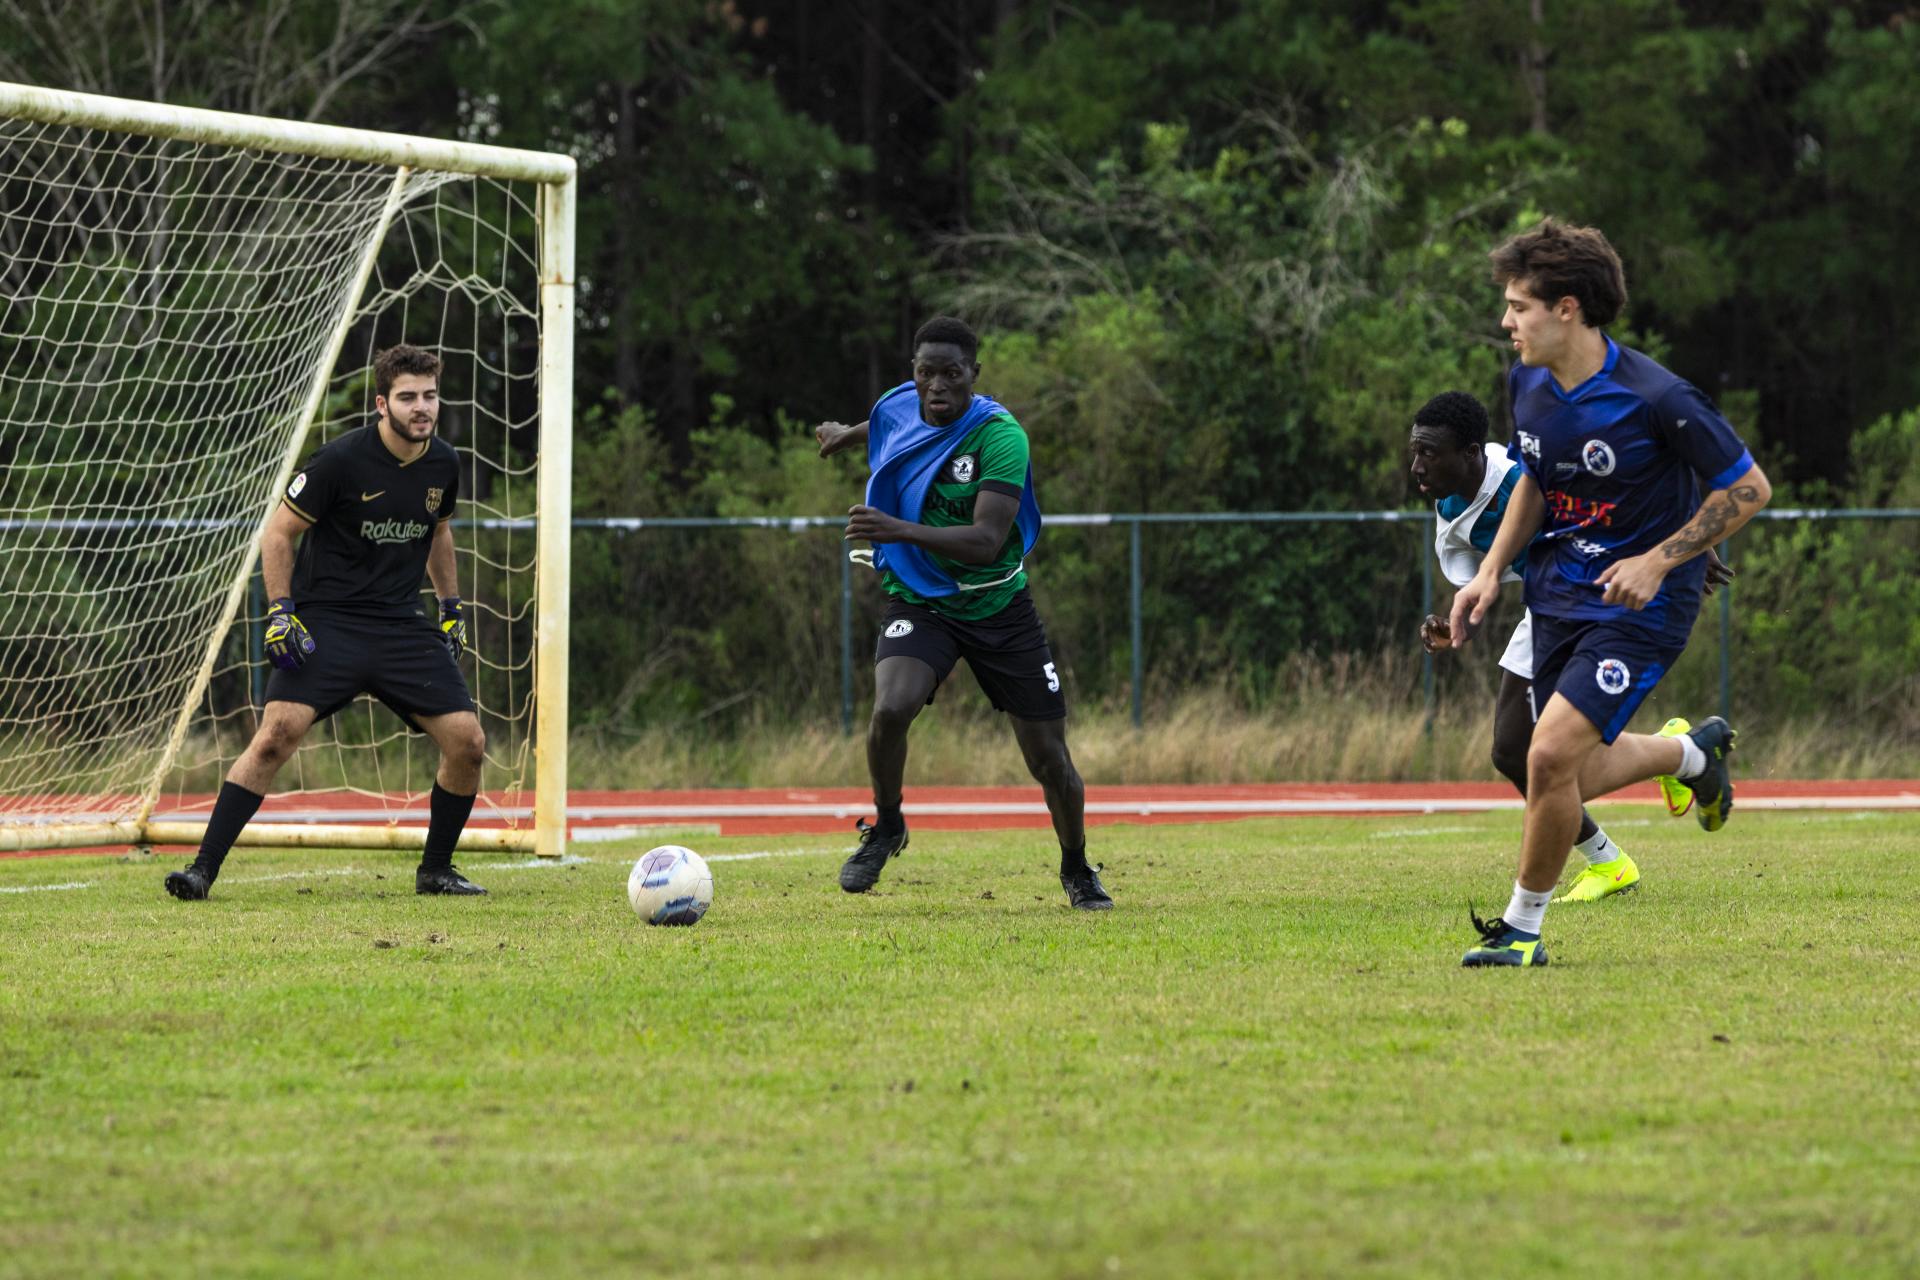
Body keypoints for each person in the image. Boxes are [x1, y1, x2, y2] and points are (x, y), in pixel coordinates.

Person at [1448, 219, 1771, 966]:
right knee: (1558, 766)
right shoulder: (1527, 382)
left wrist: (1659, 560)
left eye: (1519, 306)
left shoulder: (1657, 397)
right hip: (1560, 592)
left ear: (1568, 308)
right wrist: (1494, 568)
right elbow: (1535, 476)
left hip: (1642, 605)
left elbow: (1748, 488)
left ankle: (1521, 932)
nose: (1506, 322)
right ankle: (1690, 756)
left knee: (1550, 753)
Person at [164, 344, 488, 900]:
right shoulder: (340, 461)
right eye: (408, 397)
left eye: (430, 396)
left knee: (468, 742)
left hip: (400, 625)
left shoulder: (443, 463)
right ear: (382, 404)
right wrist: (280, 611)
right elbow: (277, 533)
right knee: (275, 737)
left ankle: (436, 870)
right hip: (327, 622)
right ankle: (202, 871)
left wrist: (451, 607)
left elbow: (439, 532)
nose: (422, 408)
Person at [814, 316, 1110, 910]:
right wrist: (842, 436)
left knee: (1048, 758)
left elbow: (984, 541)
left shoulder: (1001, 437)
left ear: (974, 374)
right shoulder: (903, 405)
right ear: (915, 374)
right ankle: (889, 825)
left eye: (952, 374)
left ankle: (1077, 866)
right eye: (927, 374)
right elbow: (884, 426)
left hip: (998, 604)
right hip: (923, 600)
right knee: (890, 708)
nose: (938, 387)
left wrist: (892, 528)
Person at [1411, 391, 1725, 902]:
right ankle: (1669, 773)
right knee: (1513, 751)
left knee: (1552, 752)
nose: (1417, 465)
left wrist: (1687, 542)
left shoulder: (1518, 469)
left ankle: (1677, 766)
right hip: (1549, 610)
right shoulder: (1450, 515)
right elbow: (1473, 590)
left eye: (1429, 452)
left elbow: (1619, 484)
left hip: (1608, 595)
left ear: (1471, 453)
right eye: (1415, 451)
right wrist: (1453, 624)